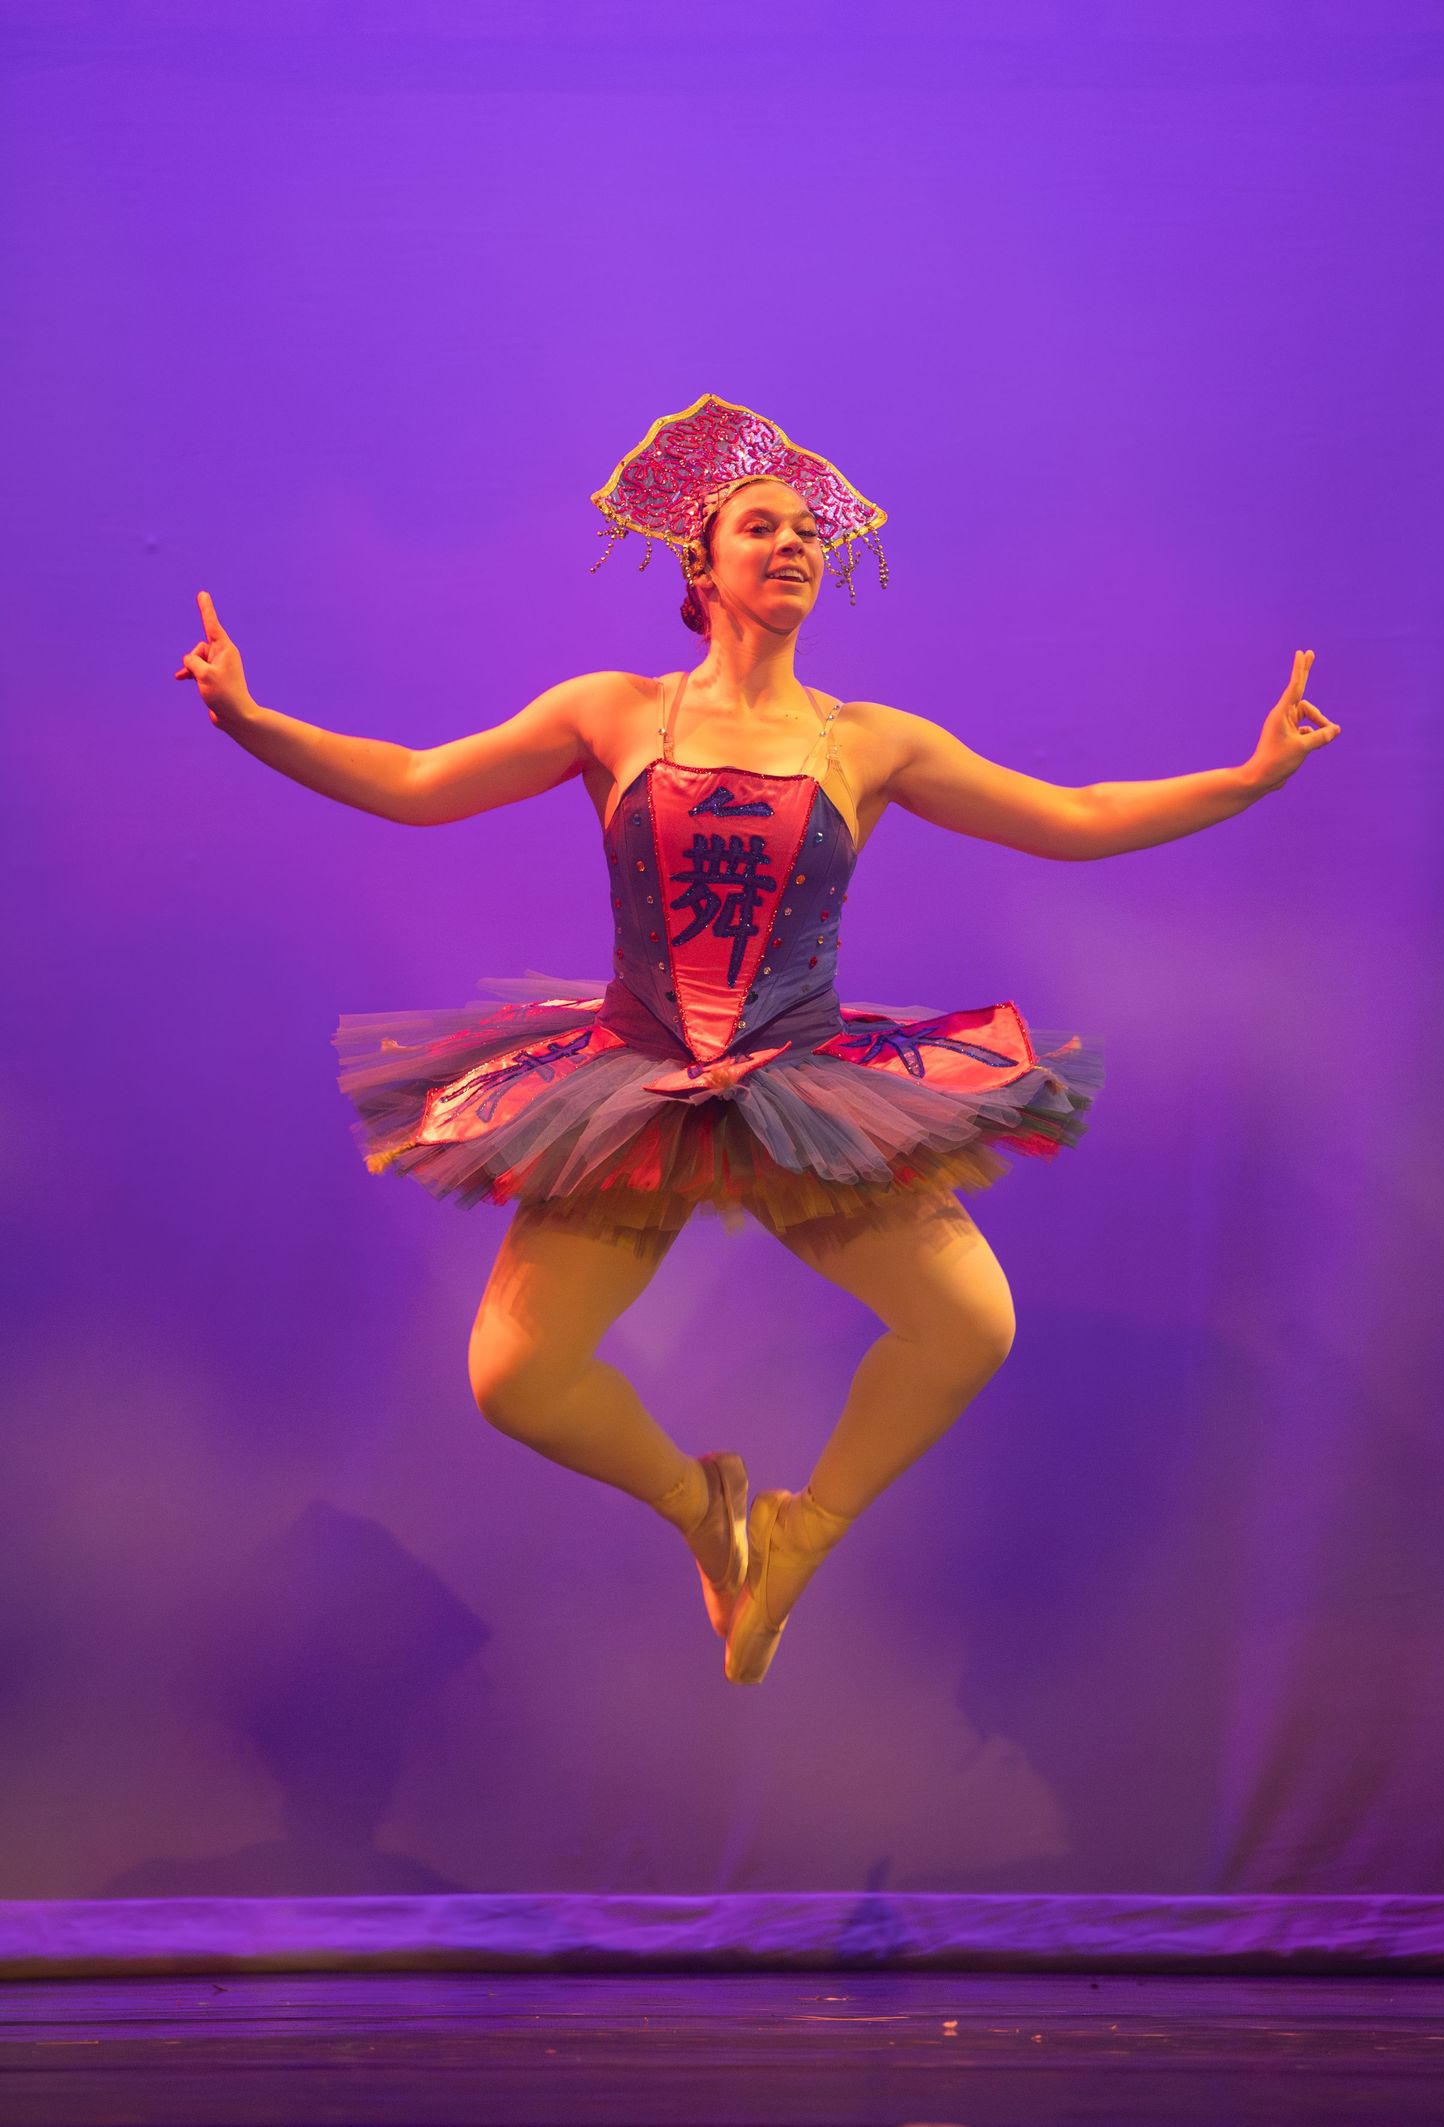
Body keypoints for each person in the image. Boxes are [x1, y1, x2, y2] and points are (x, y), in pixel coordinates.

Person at [175, 392, 1338, 1686]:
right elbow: (413, 782)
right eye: (762, 526)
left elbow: (1073, 815)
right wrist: (253, 721)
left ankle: (799, 1536)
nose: (792, 546)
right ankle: (705, 1509)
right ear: (702, 560)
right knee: (514, 1379)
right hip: (633, 1086)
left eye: (807, 534)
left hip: (802, 1088)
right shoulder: (612, 712)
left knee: (970, 1326)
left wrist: (1248, 779)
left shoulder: (869, 740)